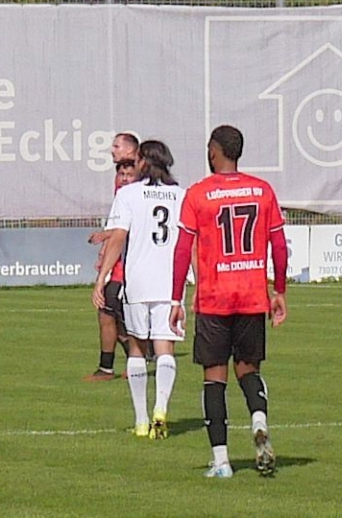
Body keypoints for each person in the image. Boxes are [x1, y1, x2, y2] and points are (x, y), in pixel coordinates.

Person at [170, 125, 288, 479]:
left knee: (214, 378)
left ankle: (221, 462)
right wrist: (279, 291)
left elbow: (182, 250)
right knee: (249, 371)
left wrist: (176, 299)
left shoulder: (198, 194)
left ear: (214, 151)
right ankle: (259, 420)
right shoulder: (262, 190)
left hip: (214, 299)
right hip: (252, 296)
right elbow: (279, 246)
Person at [94, 138, 186, 440]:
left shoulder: (129, 194)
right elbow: (191, 242)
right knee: (165, 347)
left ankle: (141, 420)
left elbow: (118, 237)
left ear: (143, 161)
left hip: (137, 281)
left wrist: (103, 277)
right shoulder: (181, 195)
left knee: (136, 347)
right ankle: (161, 409)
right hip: (170, 282)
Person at [85, 131, 141, 380]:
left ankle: (123, 364)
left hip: (131, 264)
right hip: (118, 261)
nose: (112, 150)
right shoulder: (121, 185)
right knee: (110, 313)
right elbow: (118, 225)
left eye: (117, 146)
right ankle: (124, 362)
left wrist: (106, 236)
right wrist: (104, 251)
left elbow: (128, 228)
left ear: (131, 150)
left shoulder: (140, 187)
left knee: (112, 313)